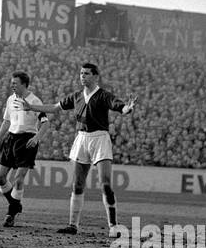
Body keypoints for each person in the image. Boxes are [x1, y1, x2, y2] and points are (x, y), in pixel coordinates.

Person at [17, 62, 135, 235]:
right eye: (81, 73)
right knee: (77, 185)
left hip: (100, 139)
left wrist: (127, 109)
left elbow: (118, 105)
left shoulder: (103, 95)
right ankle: (73, 225)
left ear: (96, 76)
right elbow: (55, 108)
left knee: (106, 184)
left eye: (86, 74)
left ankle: (113, 225)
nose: (83, 76)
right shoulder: (76, 96)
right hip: (82, 138)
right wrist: (32, 107)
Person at [0, 71, 49, 228]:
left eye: (15, 83)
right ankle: (15, 204)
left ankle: (11, 213)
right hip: (11, 139)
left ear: (24, 84)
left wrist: (36, 138)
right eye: (12, 83)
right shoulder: (11, 99)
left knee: (18, 179)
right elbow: (6, 121)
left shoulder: (34, 101)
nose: (12, 85)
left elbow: (45, 123)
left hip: (27, 140)